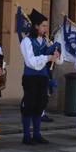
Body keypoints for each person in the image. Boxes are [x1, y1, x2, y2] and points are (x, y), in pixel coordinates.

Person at [19, 9, 59, 145]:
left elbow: (59, 61)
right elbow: (31, 62)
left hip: (43, 77)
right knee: (29, 106)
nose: (46, 28)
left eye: (46, 26)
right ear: (36, 26)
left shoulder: (46, 41)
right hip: (31, 78)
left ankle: (37, 134)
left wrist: (56, 54)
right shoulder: (26, 41)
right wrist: (48, 57)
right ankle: (26, 136)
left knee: (40, 106)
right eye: (43, 26)